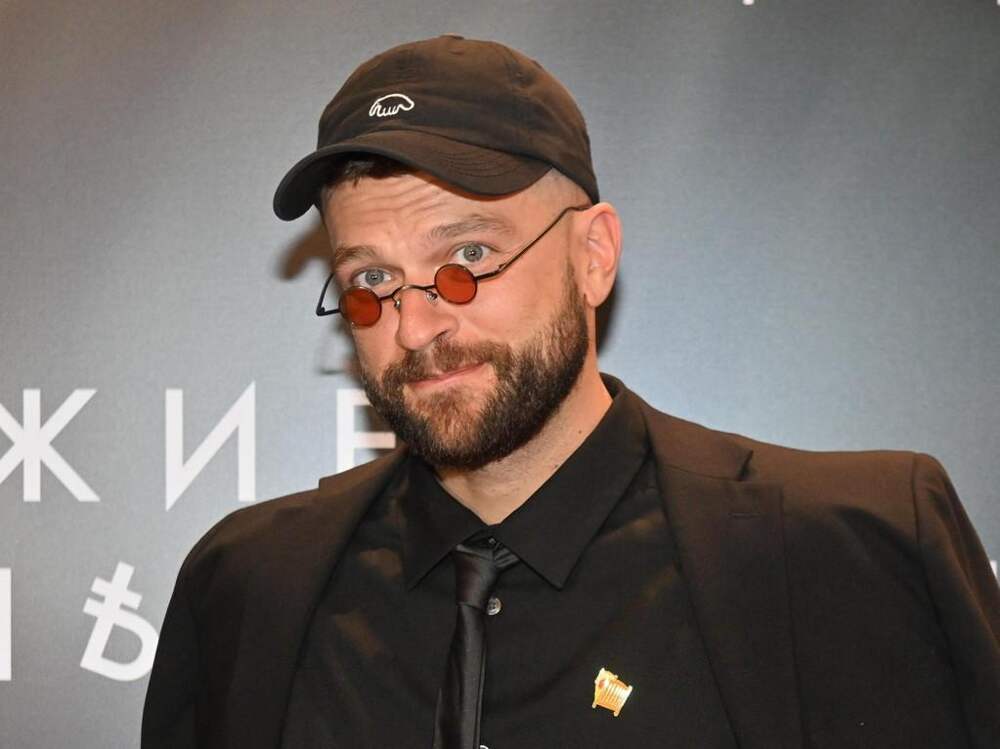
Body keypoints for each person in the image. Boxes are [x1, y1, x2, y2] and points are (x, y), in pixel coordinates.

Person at [141, 35, 1000, 748]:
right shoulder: (246, 587)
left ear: (593, 256)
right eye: (371, 279)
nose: (414, 326)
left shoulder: (852, 550)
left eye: (468, 256)